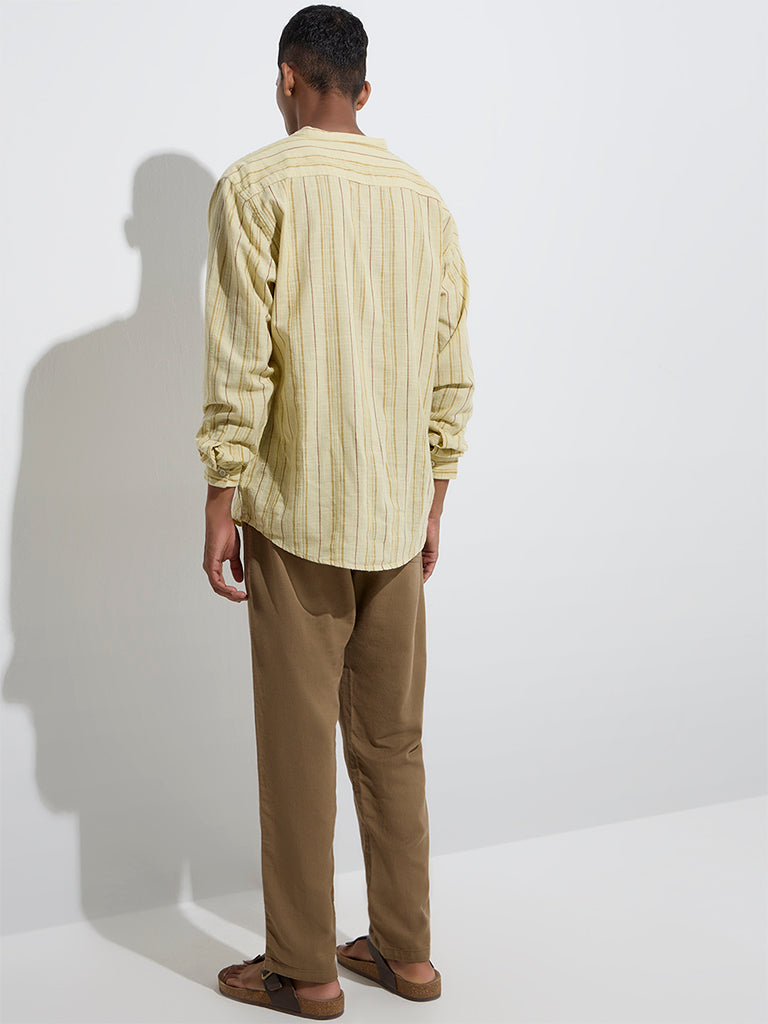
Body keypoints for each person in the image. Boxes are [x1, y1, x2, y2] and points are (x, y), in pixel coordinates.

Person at [195, 5, 475, 1019]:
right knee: (393, 741)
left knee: (300, 746)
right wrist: (435, 494)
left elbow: (242, 361)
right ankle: (408, 955)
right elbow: (450, 366)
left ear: (287, 77)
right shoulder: (424, 201)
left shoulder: (255, 186)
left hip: (298, 514)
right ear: (363, 88)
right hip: (397, 514)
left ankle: (305, 971)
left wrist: (221, 491)